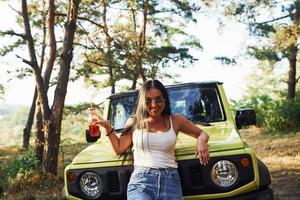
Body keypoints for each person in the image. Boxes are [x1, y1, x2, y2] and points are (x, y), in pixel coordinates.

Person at [88, 79, 210, 200]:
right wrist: (108, 127)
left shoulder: (176, 120)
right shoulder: (134, 121)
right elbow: (119, 148)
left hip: (171, 182)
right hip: (141, 182)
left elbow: (202, 133)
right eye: (148, 100)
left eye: (158, 99)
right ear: (142, 101)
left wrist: (201, 141)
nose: (154, 105)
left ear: (165, 99)